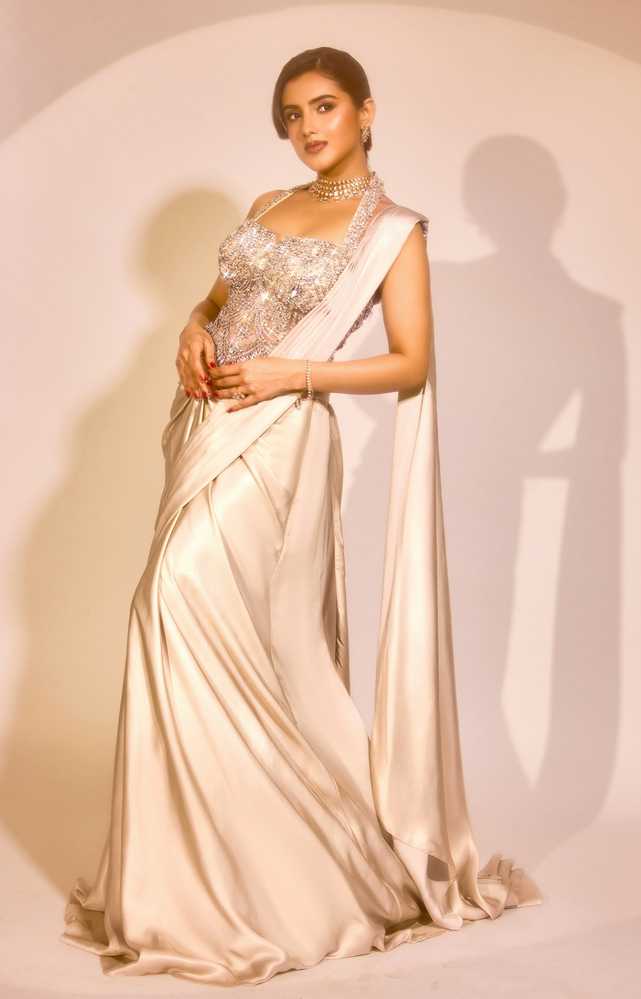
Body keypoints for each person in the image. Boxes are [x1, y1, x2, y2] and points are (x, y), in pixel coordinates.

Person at [60, 46, 543, 987]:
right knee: (207, 632)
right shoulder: (267, 205)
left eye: (324, 107)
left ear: (366, 111)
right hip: (205, 425)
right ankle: (202, 876)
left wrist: (294, 373)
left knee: (177, 603)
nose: (307, 127)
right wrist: (192, 324)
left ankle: (290, 878)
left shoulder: (394, 232)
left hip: (283, 437)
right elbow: (222, 298)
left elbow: (410, 361)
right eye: (291, 114)